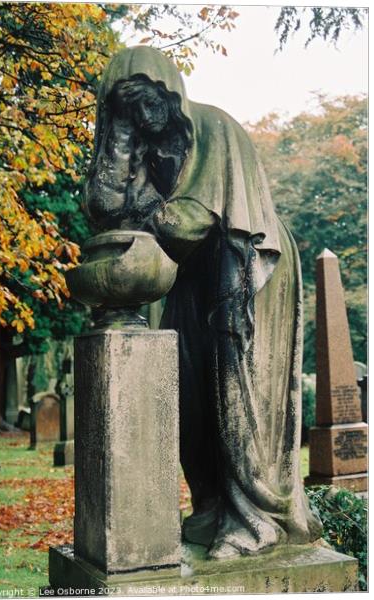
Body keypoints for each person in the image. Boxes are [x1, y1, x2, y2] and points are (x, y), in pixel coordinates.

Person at [86, 45, 322, 559]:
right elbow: (105, 212)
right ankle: (213, 506)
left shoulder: (213, 129)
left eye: (145, 98)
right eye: (126, 106)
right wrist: (119, 141)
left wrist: (149, 217)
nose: (141, 111)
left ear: (169, 89)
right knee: (190, 394)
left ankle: (254, 520)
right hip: (191, 276)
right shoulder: (145, 153)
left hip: (247, 270)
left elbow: (189, 218)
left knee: (236, 392)